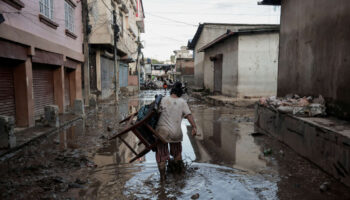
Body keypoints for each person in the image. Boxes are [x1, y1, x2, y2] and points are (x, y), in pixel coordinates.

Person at [155, 82, 197, 181]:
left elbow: (155, 113)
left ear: (171, 91)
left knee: (161, 154)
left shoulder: (163, 99)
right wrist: (194, 127)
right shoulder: (182, 102)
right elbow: (189, 115)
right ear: (180, 92)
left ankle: (162, 177)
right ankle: (178, 177)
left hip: (162, 132)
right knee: (177, 153)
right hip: (176, 133)